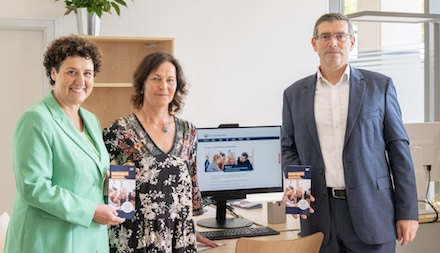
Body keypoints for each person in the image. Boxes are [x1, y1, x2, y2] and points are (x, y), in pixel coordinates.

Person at [281, 13, 419, 252]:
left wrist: (408, 212)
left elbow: (399, 151)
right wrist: (298, 192)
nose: (332, 43)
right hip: (319, 217)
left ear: (351, 42)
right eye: (325, 36)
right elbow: (289, 149)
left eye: (340, 36)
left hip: (372, 213)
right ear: (314, 43)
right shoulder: (294, 94)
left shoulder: (380, 86)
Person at [3, 35, 125, 253]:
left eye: (87, 73)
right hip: (48, 240)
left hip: (89, 238)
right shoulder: (36, 119)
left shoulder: (91, 120)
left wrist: (115, 189)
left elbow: (92, 175)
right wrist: (91, 211)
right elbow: (34, 186)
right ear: (53, 73)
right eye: (71, 72)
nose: (81, 81)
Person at [103, 52, 218, 252]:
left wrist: (192, 229)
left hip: (178, 237)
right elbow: (101, 187)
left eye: (170, 80)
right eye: (156, 79)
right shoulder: (121, 131)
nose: (163, 86)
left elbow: (190, 186)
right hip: (136, 238)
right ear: (142, 83)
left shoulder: (188, 131)